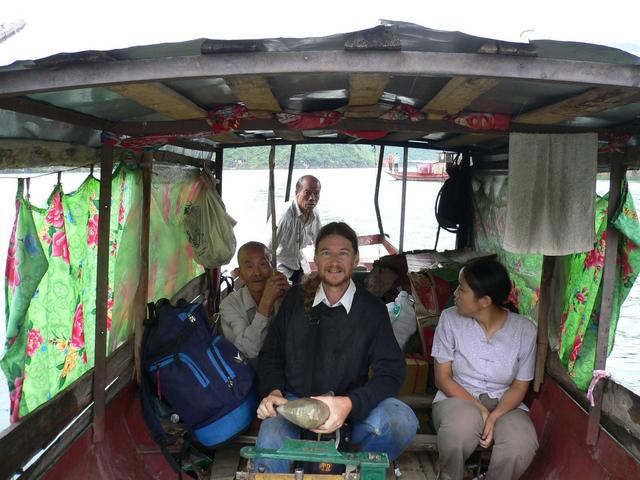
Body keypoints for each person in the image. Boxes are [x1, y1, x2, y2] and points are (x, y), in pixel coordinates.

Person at [255, 222, 418, 473]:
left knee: (402, 421)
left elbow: (392, 371)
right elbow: (271, 355)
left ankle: (353, 470)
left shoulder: (371, 309)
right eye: (326, 252)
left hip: (350, 411)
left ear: (355, 259)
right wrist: (274, 391)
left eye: (343, 253)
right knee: (269, 441)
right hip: (294, 408)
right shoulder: (295, 300)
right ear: (316, 258)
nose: (334, 261)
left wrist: (349, 404)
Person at [431, 258, 538, 480]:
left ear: (485, 301)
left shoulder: (525, 330)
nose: (455, 294)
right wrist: (480, 409)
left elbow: (520, 386)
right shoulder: (449, 319)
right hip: (457, 398)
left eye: (462, 289)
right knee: (458, 430)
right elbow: (443, 378)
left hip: (506, 402)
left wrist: (495, 415)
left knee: (521, 442)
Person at [219, 242, 290, 366]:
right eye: (249, 266)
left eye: (262, 264)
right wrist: (266, 302)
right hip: (248, 374)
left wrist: (290, 298)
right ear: (240, 274)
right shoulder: (230, 304)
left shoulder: (284, 293)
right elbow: (248, 351)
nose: (257, 273)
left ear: (272, 268)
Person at [267, 175, 321, 284]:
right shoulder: (284, 215)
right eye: (307, 193)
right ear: (297, 193)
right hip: (279, 265)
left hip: (298, 263)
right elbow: (267, 250)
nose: (312, 198)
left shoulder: (314, 212)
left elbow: (319, 243)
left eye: (316, 193)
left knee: (311, 288)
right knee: (285, 293)